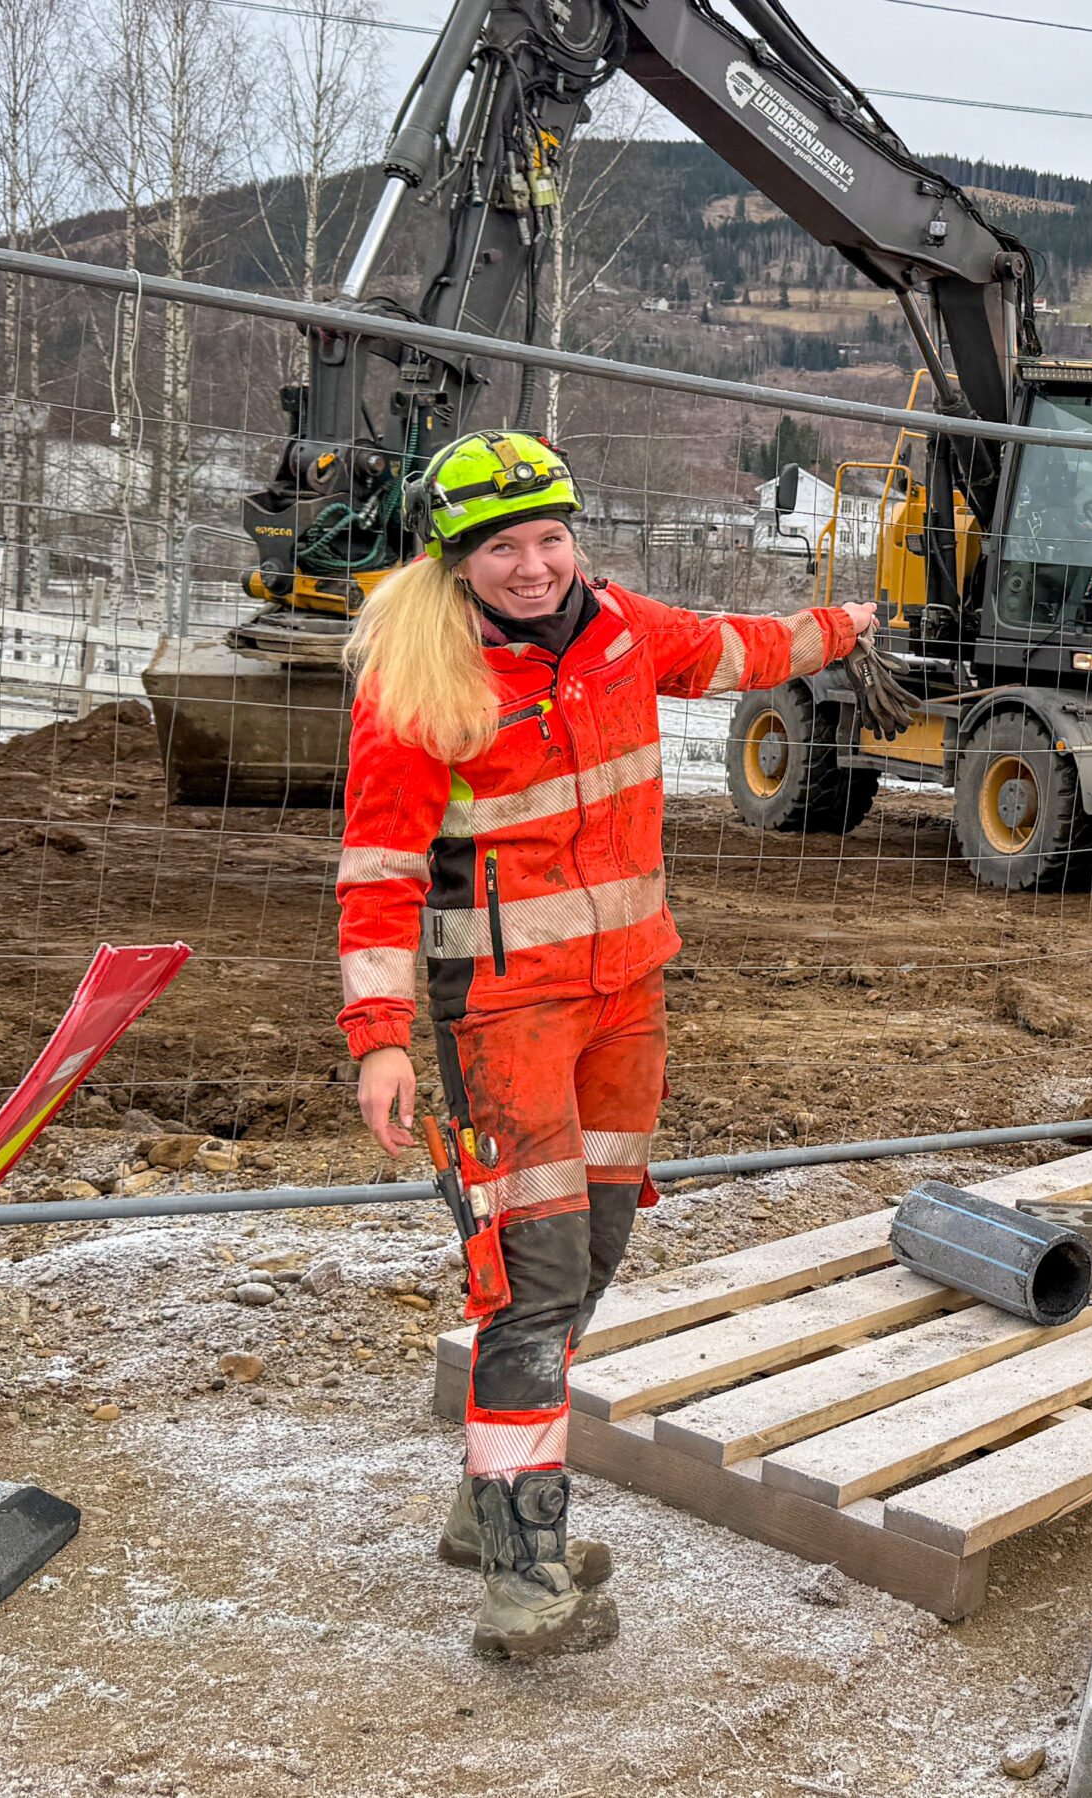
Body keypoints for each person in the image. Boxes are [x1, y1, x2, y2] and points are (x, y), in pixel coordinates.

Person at [334, 430, 874, 1660]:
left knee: (598, 1252)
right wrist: (380, 1038)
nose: (532, 566)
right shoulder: (423, 682)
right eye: (502, 548)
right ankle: (525, 1579)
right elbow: (376, 877)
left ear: (576, 536)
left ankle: (490, 1510)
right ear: (456, 558)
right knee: (529, 1287)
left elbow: (741, 646)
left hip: (628, 1002)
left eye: (548, 538)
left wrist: (852, 625)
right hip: (507, 1016)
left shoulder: (620, 626)